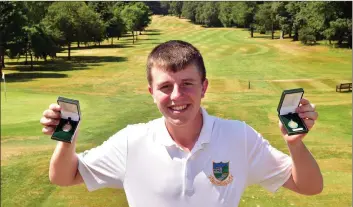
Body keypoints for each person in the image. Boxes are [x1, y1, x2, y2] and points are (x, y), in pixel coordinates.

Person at [40, 40, 323, 207]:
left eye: (188, 84)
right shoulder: (131, 141)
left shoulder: (239, 136)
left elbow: (309, 186)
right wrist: (67, 139)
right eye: (165, 87)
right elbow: (64, 177)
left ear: (204, 87)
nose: (177, 96)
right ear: (152, 93)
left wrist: (294, 144)